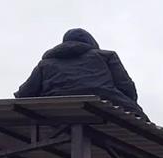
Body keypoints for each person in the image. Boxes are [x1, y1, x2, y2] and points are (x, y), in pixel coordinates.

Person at [14, 28, 148, 120]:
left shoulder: (45, 64)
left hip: (55, 110)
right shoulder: (105, 56)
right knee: (143, 128)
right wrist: (130, 104)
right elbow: (125, 86)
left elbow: (24, 93)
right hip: (105, 102)